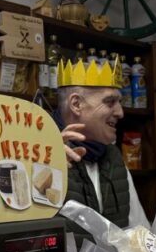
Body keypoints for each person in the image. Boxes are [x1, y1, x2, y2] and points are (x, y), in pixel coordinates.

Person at [57, 55, 149, 229]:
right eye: (110, 102)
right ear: (76, 104)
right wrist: (47, 169)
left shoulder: (114, 158)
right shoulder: (36, 153)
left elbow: (139, 234)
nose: (120, 112)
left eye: (119, 102)